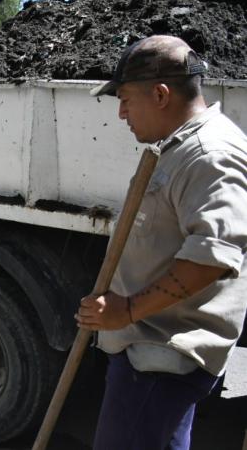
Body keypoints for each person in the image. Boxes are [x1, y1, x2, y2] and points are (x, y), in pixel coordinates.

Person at [77, 35, 247, 450]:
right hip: (150, 354)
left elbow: (212, 257)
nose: (121, 113)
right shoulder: (182, 148)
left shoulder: (209, 154)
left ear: (160, 94)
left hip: (160, 357)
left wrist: (128, 310)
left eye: (125, 99)